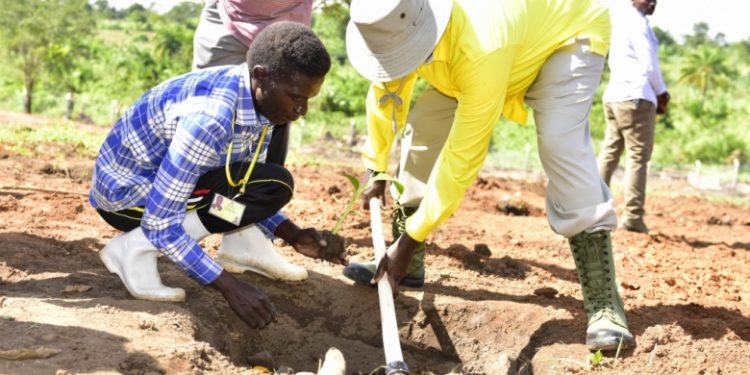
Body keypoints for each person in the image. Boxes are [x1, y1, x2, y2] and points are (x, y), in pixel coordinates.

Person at [343, 0, 635, 351]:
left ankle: (604, 303)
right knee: (423, 132)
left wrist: (410, 238)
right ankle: (408, 267)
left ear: (424, 33)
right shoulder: (396, 22)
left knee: (561, 144)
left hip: (565, 35)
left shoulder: (481, 44)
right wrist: (375, 165)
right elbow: (386, 92)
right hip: (493, 47)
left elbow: (461, 159)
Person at [90, 21, 333, 330]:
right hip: (129, 200)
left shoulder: (263, 100)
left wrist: (291, 233)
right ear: (260, 75)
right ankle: (133, 248)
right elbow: (161, 223)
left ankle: (245, 245)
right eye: (296, 97)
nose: (302, 110)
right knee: (274, 185)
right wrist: (228, 286)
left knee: (268, 186)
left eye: (309, 99)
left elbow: (240, 186)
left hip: (177, 188)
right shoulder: (210, 121)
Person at [192, 0, 315, 278]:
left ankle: (245, 238)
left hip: (288, 23)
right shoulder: (207, 121)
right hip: (230, 17)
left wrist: (286, 230)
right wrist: (220, 281)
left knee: (268, 172)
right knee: (209, 157)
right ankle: (169, 236)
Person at [597, 0, 670, 234]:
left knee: (610, 152)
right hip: (637, 96)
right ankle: (633, 217)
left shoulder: (618, 21)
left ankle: (594, 208)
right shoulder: (638, 24)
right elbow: (649, 65)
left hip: (614, 95)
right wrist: (662, 93)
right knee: (638, 157)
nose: (652, 3)